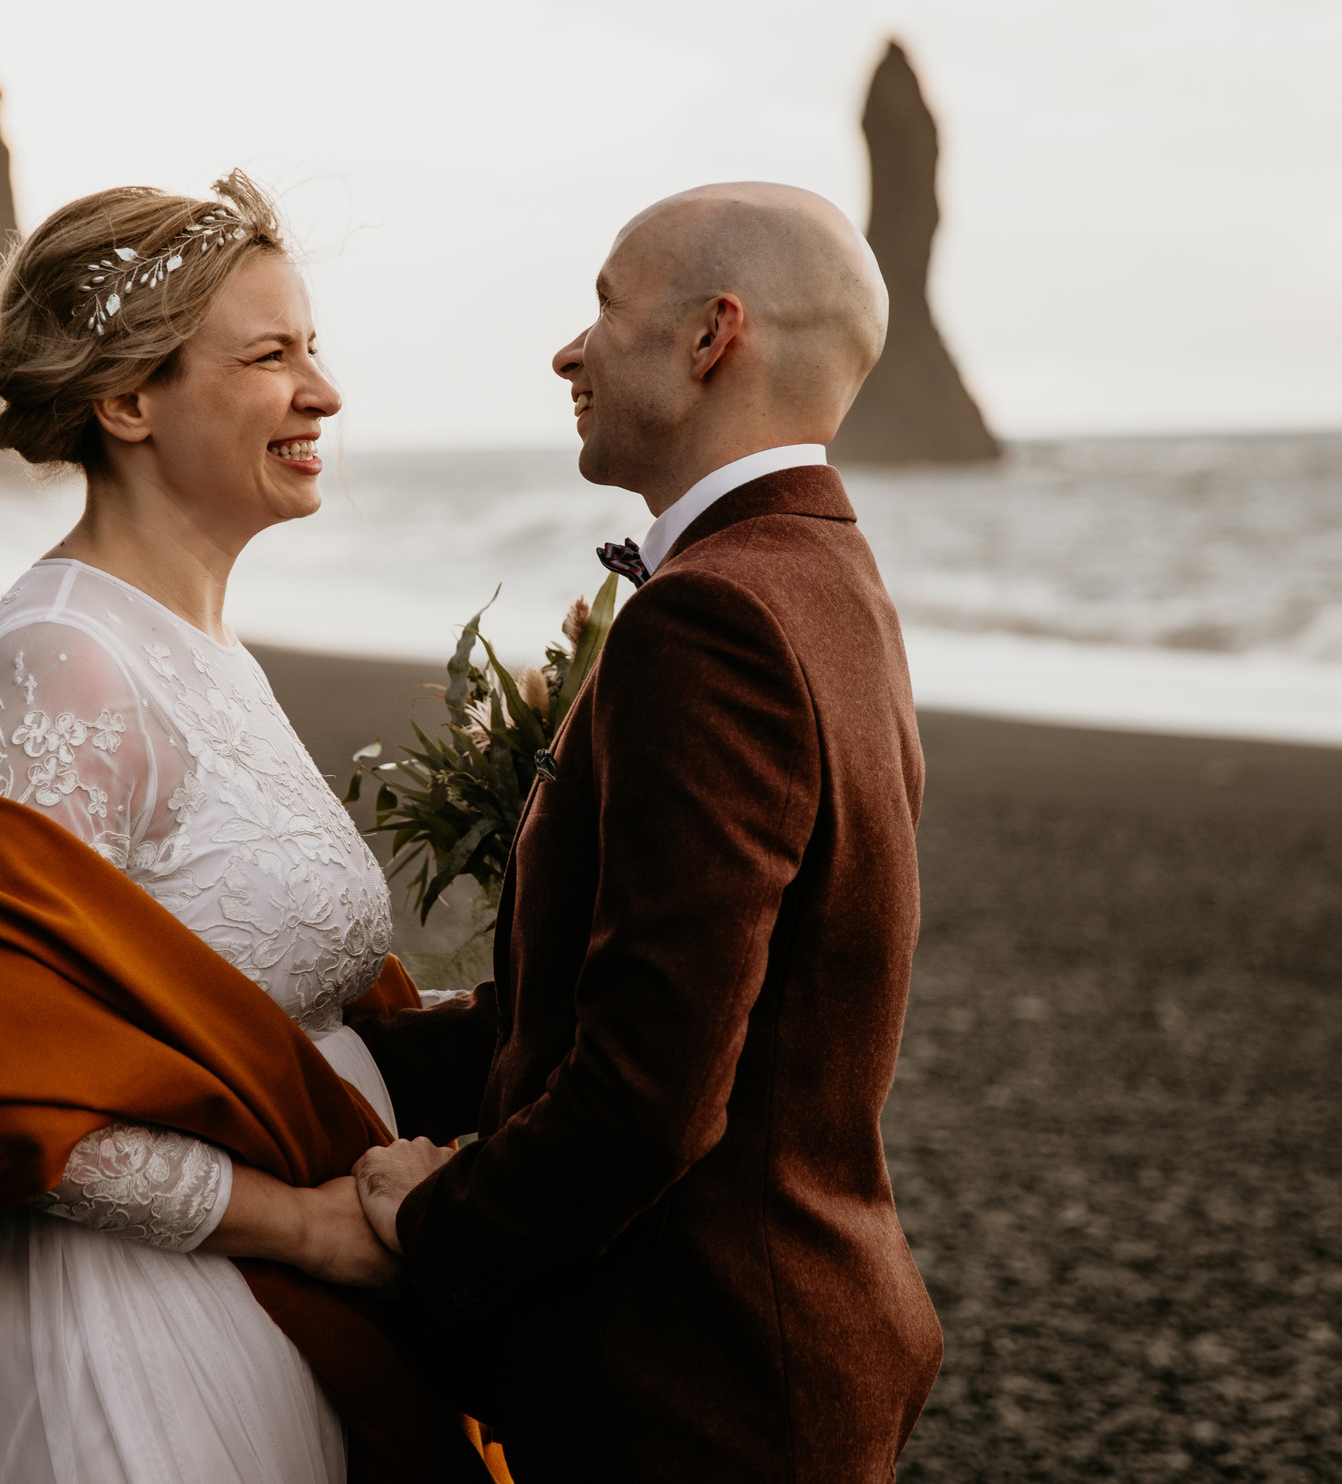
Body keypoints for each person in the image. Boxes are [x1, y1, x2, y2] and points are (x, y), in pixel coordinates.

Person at [0, 174, 479, 1484]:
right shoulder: (65, 661)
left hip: (259, 1310)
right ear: (128, 401)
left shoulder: (199, 641)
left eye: (314, 347)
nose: (324, 392)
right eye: (270, 355)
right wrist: (300, 1229)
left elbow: (243, 970)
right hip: (132, 1334)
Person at [351, 183, 945, 1480]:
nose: (571, 350)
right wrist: (356, 1053)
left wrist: (436, 1220)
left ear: (709, 337)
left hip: (703, 1393)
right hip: (797, 1357)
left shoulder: (714, 619)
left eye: (606, 309)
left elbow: (650, 1094)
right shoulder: (833, 579)